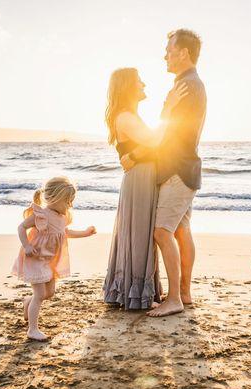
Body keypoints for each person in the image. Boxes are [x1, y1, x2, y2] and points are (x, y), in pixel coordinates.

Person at [121, 29, 207, 317]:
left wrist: (135, 154)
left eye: (169, 50)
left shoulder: (187, 86)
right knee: (181, 230)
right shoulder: (189, 83)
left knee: (162, 232)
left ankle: (175, 299)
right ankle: (183, 292)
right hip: (184, 167)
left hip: (177, 169)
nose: (165, 55)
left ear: (183, 52)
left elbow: (168, 132)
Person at [103, 67, 187, 310]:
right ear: (128, 86)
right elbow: (154, 140)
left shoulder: (130, 116)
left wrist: (136, 154)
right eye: (139, 81)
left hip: (143, 176)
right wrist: (169, 109)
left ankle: (139, 290)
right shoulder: (125, 117)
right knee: (140, 232)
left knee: (143, 232)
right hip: (139, 180)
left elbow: (152, 144)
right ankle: (134, 292)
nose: (144, 85)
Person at [12, 176, 96, 341]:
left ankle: (27, 301)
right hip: (35, 258)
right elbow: (21, 227)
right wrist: (27, 246)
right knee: (40, 294)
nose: (70, 205)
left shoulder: (63, 217)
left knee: (49, 293)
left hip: (49, 261)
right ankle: (32, 329)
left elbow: (65, 233)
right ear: (55, 198)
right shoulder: (41, 214)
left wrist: (85, 233)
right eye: (67, 201)